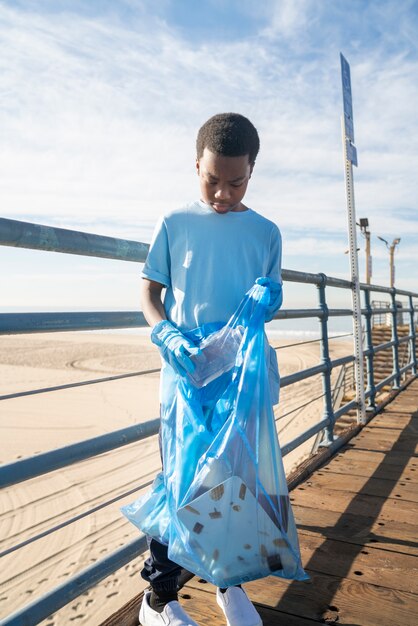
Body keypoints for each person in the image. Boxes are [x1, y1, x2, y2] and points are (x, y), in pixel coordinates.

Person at [139, 113, 283, 626]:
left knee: (231, 480)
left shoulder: (266, 232)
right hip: (185, 377)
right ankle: (159, 596)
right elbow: (149, 294)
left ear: (252, 173)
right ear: (195, 165)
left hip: (240, 381)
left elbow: (268, 297)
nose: (222, 193)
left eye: (236, 181)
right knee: (178, 479)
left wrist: (268, 298)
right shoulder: (175, 223)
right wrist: (165, 331)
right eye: (211, 179)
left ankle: (229, 584)